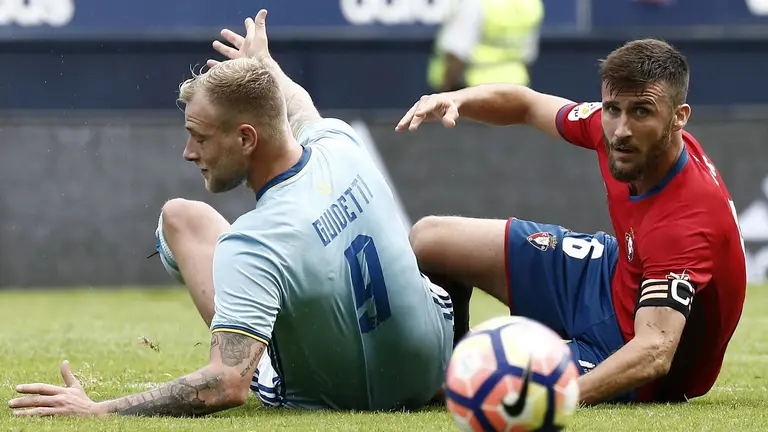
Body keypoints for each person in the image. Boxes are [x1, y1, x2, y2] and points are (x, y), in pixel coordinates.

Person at [8, 10, 454, 417]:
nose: (188, 153)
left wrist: (98, 411)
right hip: (434, 368)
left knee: (186, 237)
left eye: (198, 137)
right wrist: (266, 65)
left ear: (245, 138)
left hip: (343, 397)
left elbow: (225, 384)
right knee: (180, 216)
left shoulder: (255, 242)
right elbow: (297, 106)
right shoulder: (340, 144)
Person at [396, 38, 747, 405]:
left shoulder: (686, 221)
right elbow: (527, 105)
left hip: (637, 351)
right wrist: (458, 100)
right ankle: (450, 360)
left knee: (480, 386)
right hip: (617, 275)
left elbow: (654, 353)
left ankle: (453, 383)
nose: (621, 130)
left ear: (679, 118)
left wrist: (560, 395)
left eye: (641, 112)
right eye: (613, 109)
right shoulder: (616, 130)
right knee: (429, 238)